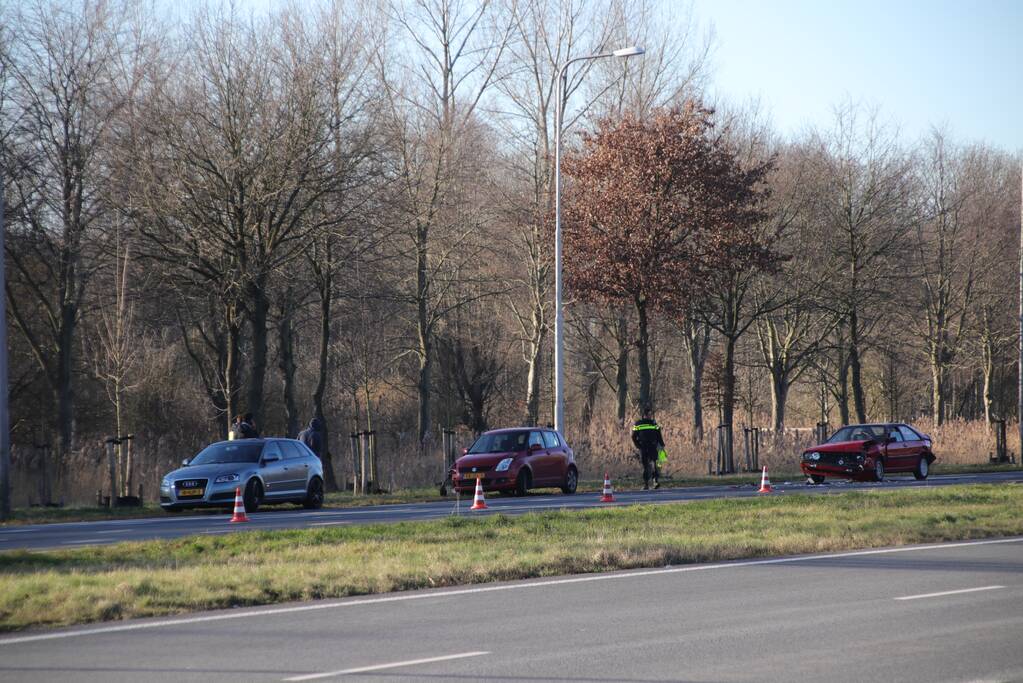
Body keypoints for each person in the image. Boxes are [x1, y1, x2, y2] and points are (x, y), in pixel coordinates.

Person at [631, 405, 664, 490]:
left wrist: (661, 445)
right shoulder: (638, 424)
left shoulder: (653, 423)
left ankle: (655, 481)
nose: (650, 416)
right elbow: (633, 436)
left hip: (653, 447)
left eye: (650, 414)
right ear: (644, 415)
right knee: (645, 466)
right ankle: (646, 484)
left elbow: (658, 434)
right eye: (649, 414)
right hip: (643, 447)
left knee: (655, 464)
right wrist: (638, 445)